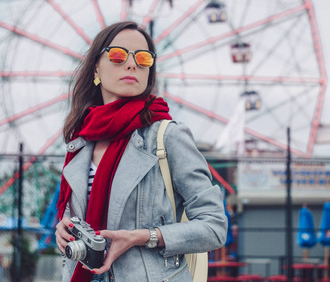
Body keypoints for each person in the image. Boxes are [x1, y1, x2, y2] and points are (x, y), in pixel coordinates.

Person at [55, 21, 228, 282]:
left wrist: (143, 237)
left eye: (143, 58)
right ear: (96, 68)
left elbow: (214, 227)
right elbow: (75, 217)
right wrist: (62, 229)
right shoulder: (80, 143)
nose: (132, 64)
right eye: (117, 55)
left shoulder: (168, 136)